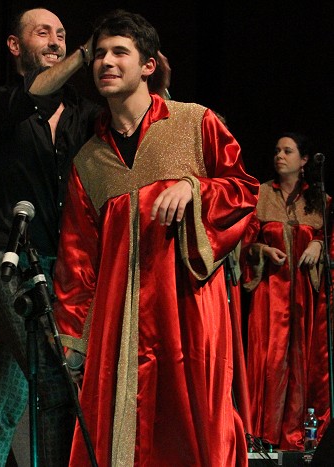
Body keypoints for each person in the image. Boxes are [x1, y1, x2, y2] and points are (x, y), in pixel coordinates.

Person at [53, 10, 259, 466]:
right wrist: (74, 344)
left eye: (119, 52)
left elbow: (244, 190)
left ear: (148, 65)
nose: (106, 61)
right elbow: (77, 259)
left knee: (190, 425)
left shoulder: (194, 122)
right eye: (100, 54)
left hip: (186, 311)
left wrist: (194, 188)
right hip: (116, 322)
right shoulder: (89, 160)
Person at [0, 8, 100, 466]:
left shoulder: (81, 113)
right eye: (44, 33)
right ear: (15, 46)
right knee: (55, 385)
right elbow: (35, 91)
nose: (56, 41)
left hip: (57, 269)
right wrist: (83, 56)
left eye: (62, 34)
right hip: (6, 260)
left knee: (5, 400)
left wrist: (158, 87)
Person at [243, 132, 330, 450]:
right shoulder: (261, 195)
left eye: (288, 151)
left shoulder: (321, 202)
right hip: (270, 296)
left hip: (306, 298)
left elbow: (329, 239)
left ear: (304, 160)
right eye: (277, 150)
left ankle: (298, 438)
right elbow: (245, 244)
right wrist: (263, 251)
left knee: (301, 364)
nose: (279, 155)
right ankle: (262, 435)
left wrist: (319, 243)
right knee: (269, 362)